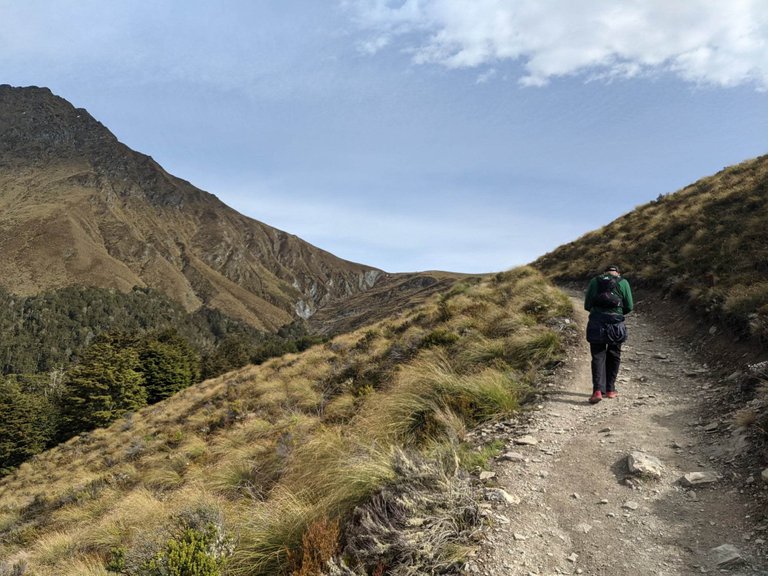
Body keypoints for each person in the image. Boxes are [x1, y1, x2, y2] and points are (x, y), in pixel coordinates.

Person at [583, 265, 633, 404]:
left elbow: (587, 305)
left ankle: (597, 391)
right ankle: (610, 390)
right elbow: (629, 306)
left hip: (596, 322)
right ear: (618, 272)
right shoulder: (623, 282)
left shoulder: (595, 281)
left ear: (605, 272)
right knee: (614, 354)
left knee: (598, 356)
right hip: (616, 324)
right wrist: (617, 314)